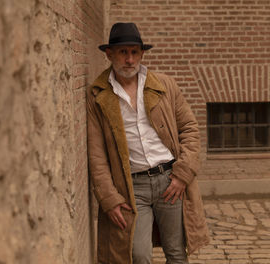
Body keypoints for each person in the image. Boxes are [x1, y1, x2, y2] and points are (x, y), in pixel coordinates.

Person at [86, 22, 209, 264]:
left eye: (134, 52)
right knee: (138, 255)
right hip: (132, 188)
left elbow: (190, 129)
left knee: (176, 253)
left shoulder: (164, 86)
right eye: (123, 52)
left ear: (142, 53)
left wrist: (182, 174)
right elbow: (96, 154)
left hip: (170, 182)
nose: (129, 59)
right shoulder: (98, 95)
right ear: (109, 54)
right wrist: (109, 198)